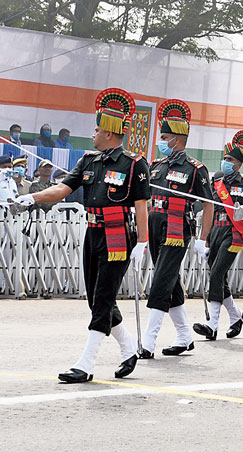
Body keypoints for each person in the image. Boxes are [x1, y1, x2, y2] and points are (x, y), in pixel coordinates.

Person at [13, 87, 150, 383]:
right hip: (93, 231)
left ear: (111, 134)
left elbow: (141, 206)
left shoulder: (134, 164)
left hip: (118, 236)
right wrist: (33, 199)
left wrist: (142, 242)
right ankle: (128, 348)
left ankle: (86, 364)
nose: (94, 134)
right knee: (96, 300)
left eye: (98, 129)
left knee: (102, 298)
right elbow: (63, 188)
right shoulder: (89, 161)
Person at [139, 99, 214, 359]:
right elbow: (144, 197)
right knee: (170, 282)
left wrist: (204, 239)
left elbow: (209, 205)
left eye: (165, 137)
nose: (162, 141)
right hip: (156, 225)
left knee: (160, 280)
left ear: (178, 139)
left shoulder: (195, 169)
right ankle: (184, 336)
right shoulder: (157, 165)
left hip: (176, 228)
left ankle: (148, 341)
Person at [192, 131, 243, 341]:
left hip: (234, 234)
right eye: (224, 159)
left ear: (239, 164)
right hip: (215, 231)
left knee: (216, 275)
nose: (225, 162)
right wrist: (204, 238)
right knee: (218, 277)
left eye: (230, 160)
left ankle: (212, 325)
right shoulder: (216, 181)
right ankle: (236, 316)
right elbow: (209, 208)